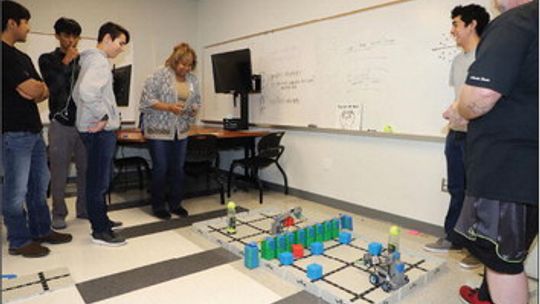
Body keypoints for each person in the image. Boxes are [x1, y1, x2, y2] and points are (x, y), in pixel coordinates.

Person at [446, 1, 538, 303]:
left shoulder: (515, 22)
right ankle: (486, 295)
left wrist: (460, 109)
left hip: (510, 170)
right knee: (501, 250)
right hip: (527, 166)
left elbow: (480, 97)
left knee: (503, 262)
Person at [2, 0, 72, 258]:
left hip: (32, 131)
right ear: (12, 23)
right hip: (12, 132)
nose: (28, 28)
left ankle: (41, 230)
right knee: (15, 189)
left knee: (39, 184)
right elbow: (33, 89)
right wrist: (34, 89)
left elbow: (41, 90)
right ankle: (19, 241)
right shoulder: (2, 54)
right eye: (26, 22)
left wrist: (34, 89)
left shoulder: (21, 56)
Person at [424, 4, 489, 271]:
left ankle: (478, 249)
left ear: (471, 25)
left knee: (479, 193)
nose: (452, 30)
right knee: (456, 189)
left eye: (456, 24)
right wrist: (453, 112)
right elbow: (459, 98)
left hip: (478, 136)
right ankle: (453, 238)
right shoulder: (458, 60)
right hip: (456, 135)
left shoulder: (487, 56)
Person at [73, 22, 130, 246]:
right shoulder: (99, 61)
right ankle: (100, 231)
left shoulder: (90, 60)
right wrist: (103, 117)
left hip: (94, 130)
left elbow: (80, 92)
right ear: (107, 38)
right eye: (120, 43)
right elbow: (87, 92)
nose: (121, 48)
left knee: (98, 179)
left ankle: (102, 220)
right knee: (98, 182)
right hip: (99, 131)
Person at [139, 42, 201, 220]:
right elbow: (146, 100)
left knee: (178, 168)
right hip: (158, 129)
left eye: (189, 65)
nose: (186, 68)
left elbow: (197, 100)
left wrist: (194, 108)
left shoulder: (193, 80)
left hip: (180, 130)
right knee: (161, 168)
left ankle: (176, 204)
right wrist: (168, 107)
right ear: (175, 61)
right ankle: (158, 206)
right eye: (183, 64)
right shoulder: (160, 74)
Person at [38, 17, 87, 230]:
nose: (71, 40)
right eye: (67, 35)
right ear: (57, 36)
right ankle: (58, 213)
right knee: (59, 172)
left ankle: (84, 208)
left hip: (84, 123)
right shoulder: (47, 59)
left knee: (86, 169)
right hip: (61, 124)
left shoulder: (83, 60)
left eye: (75, 36)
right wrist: (66, 62)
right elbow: (54, 86)